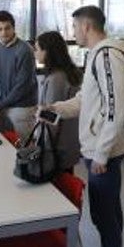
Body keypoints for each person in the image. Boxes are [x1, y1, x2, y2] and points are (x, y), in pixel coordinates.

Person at [48, 5, 124, 247]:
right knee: (108, 216)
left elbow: (115, 108)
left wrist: (101, 153)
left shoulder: (108, 55)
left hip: (103, 154)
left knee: (106, 220)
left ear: (86, 26)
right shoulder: (95, 55)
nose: (72, 33)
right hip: (98, 151)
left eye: (74, 27)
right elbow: (86, 100)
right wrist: (57, 108)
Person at [34, 30, 82, 172]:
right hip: (68, 144)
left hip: (57, 149)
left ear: (47, 51)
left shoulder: (57, 79)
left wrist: (42, 147)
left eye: (37, 49)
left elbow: (51, 120)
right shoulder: (68, 72)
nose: (34, 53)